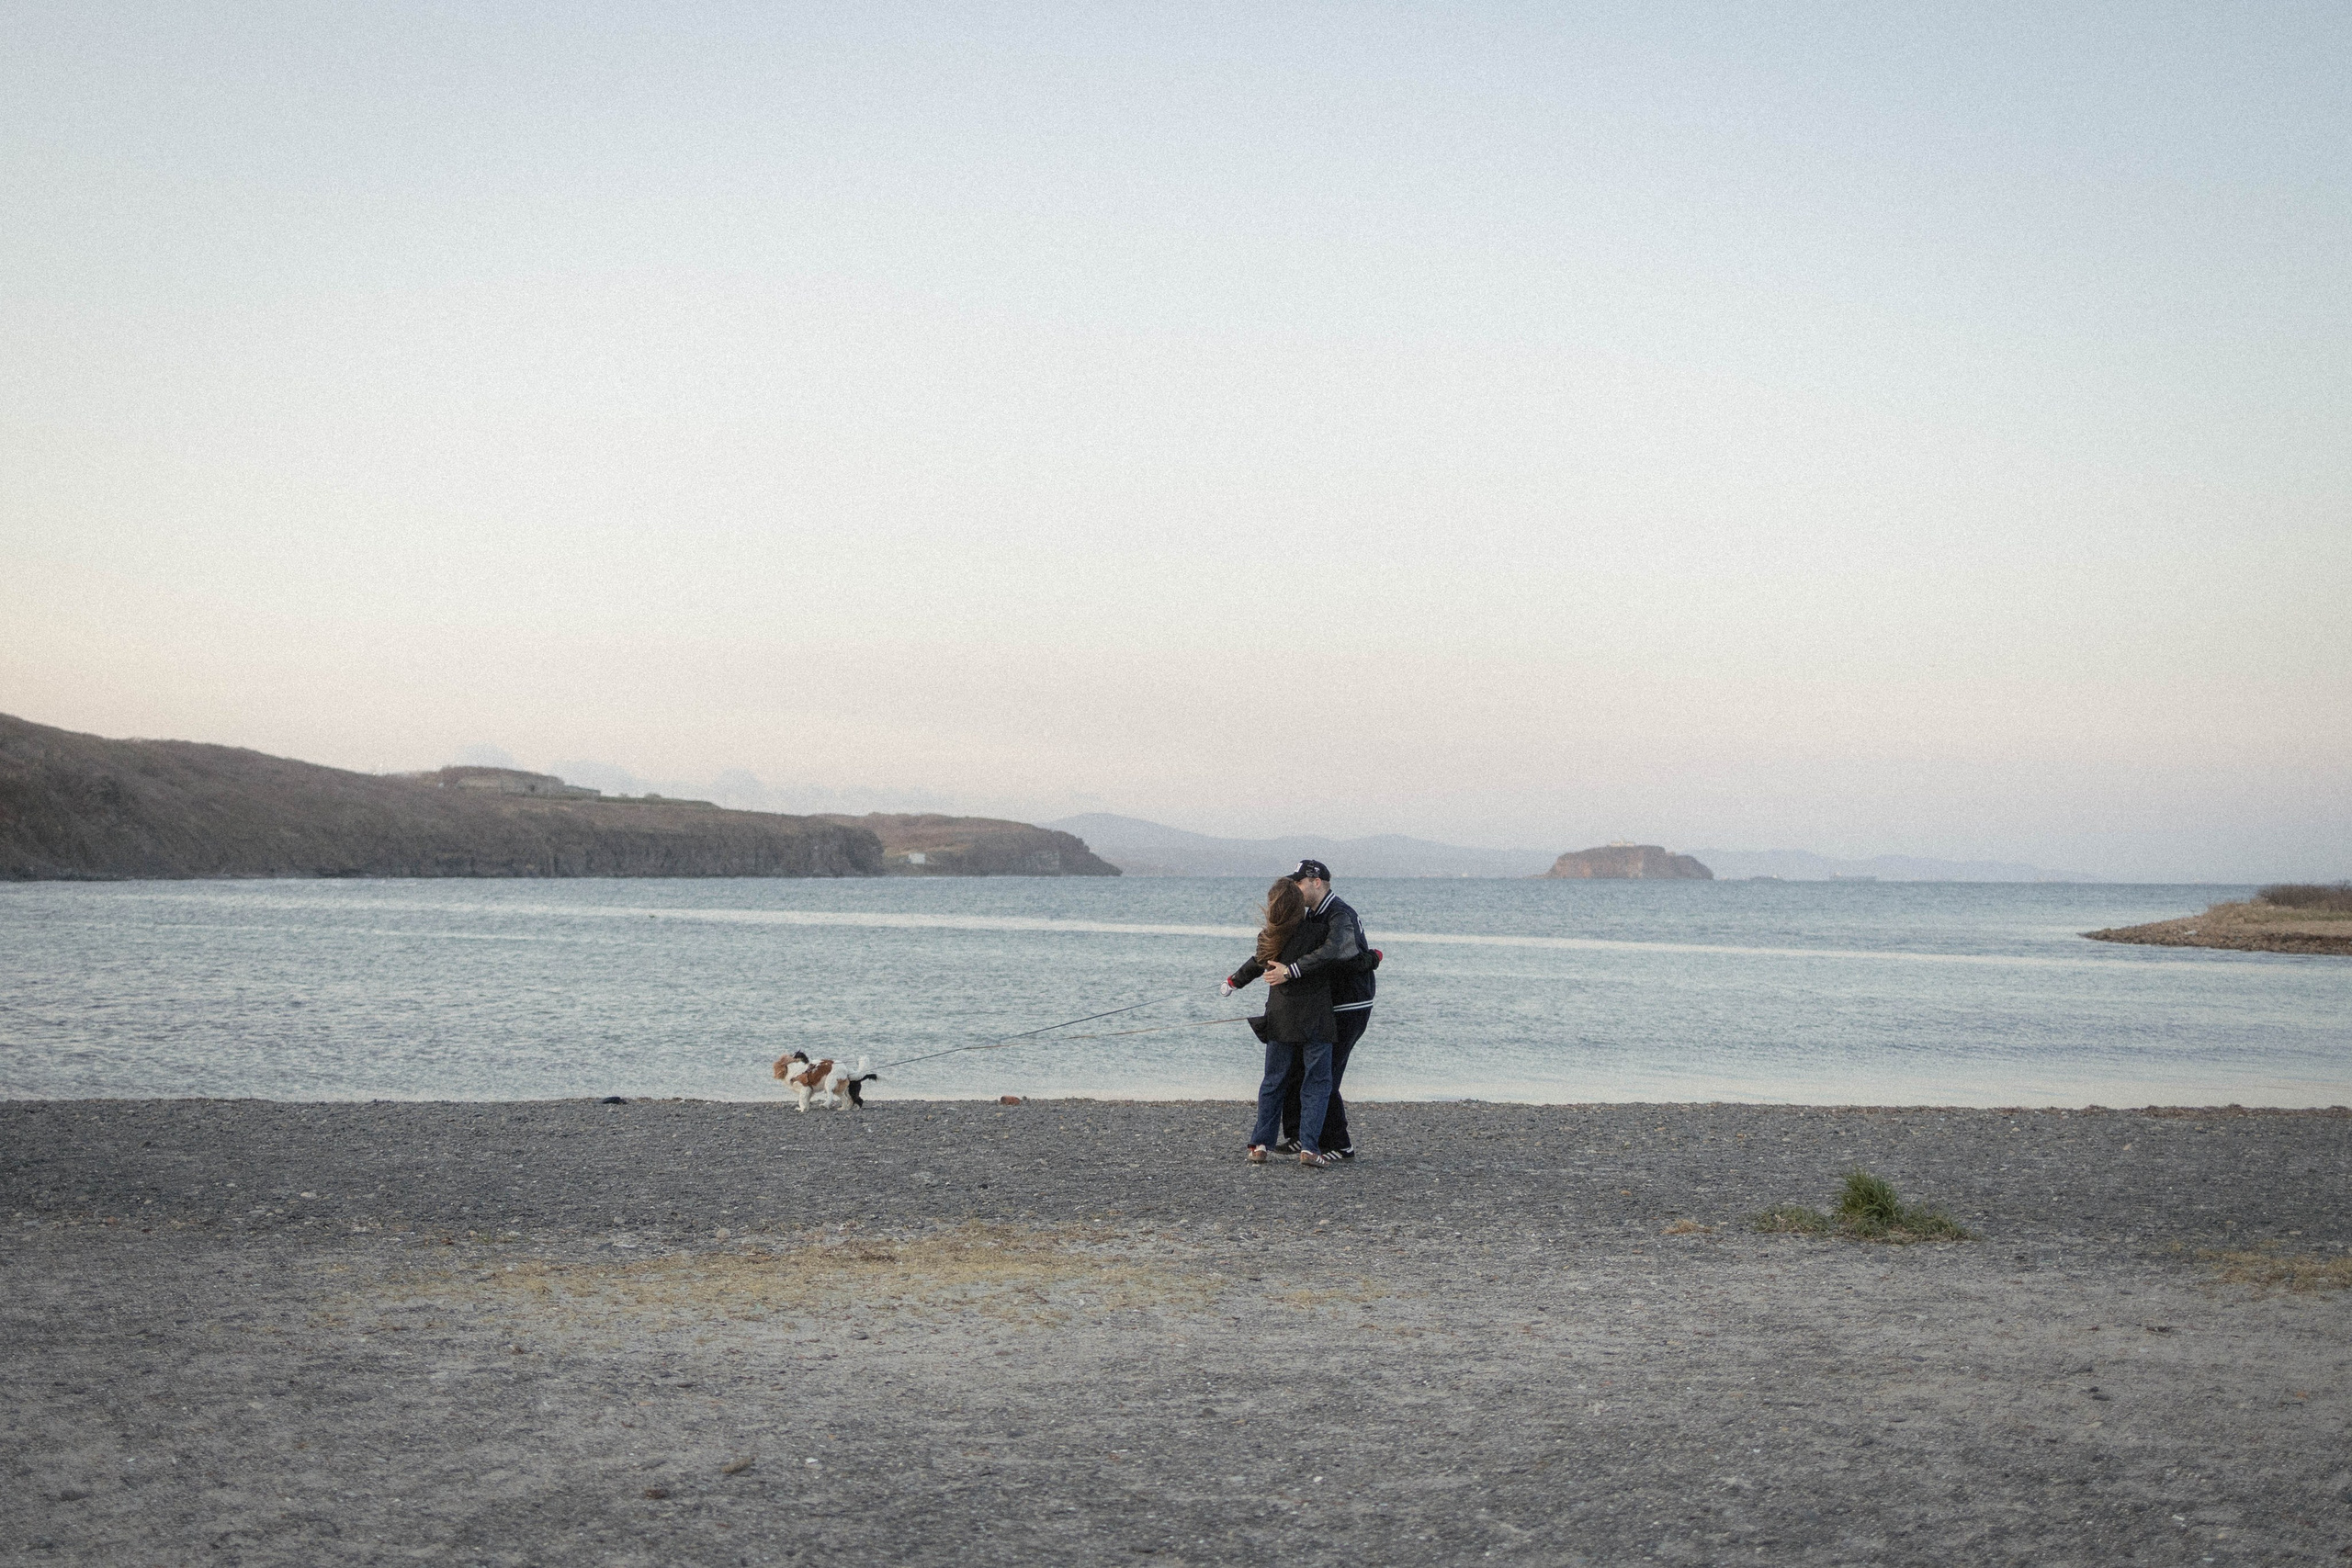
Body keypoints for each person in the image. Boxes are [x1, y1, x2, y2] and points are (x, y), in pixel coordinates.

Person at [1224, 875, 1346, 1168]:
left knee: (1274, 1081)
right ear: (1299, 905)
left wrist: (1233, 982)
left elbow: (1255, 963)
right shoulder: (1319, 932)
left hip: (1280, 1019)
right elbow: (1336, 957)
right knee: (1316, 1083)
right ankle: (1310, 1148)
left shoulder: (1269, 937)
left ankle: (1259, 1145)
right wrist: (1373, 957)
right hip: (1316, 1020)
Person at [1272, 861, 1377, 1160]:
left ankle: (1341, 1145)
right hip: (1326, 1004)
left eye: (1299, 883)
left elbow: (1334, 953)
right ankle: (1298, 1134)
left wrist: (1291, 971)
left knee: (1325, 1075)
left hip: (1351, 1004)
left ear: (1316, 882)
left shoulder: (1340, 913)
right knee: (1298, 1068)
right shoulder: (1313, 915)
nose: (1295, 888)